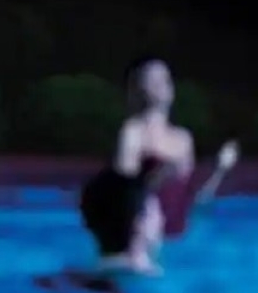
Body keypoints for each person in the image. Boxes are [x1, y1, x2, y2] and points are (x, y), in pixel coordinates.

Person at [79, 55, 240, 276]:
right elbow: (123, 195)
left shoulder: (183, 140)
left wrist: (220, 170)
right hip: (132, 245)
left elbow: (191, 205)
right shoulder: (132, 133)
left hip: (162, 244)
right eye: (152, 78)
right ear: (138, 88)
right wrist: (160, 176)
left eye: (165, 78)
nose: (161, 82)